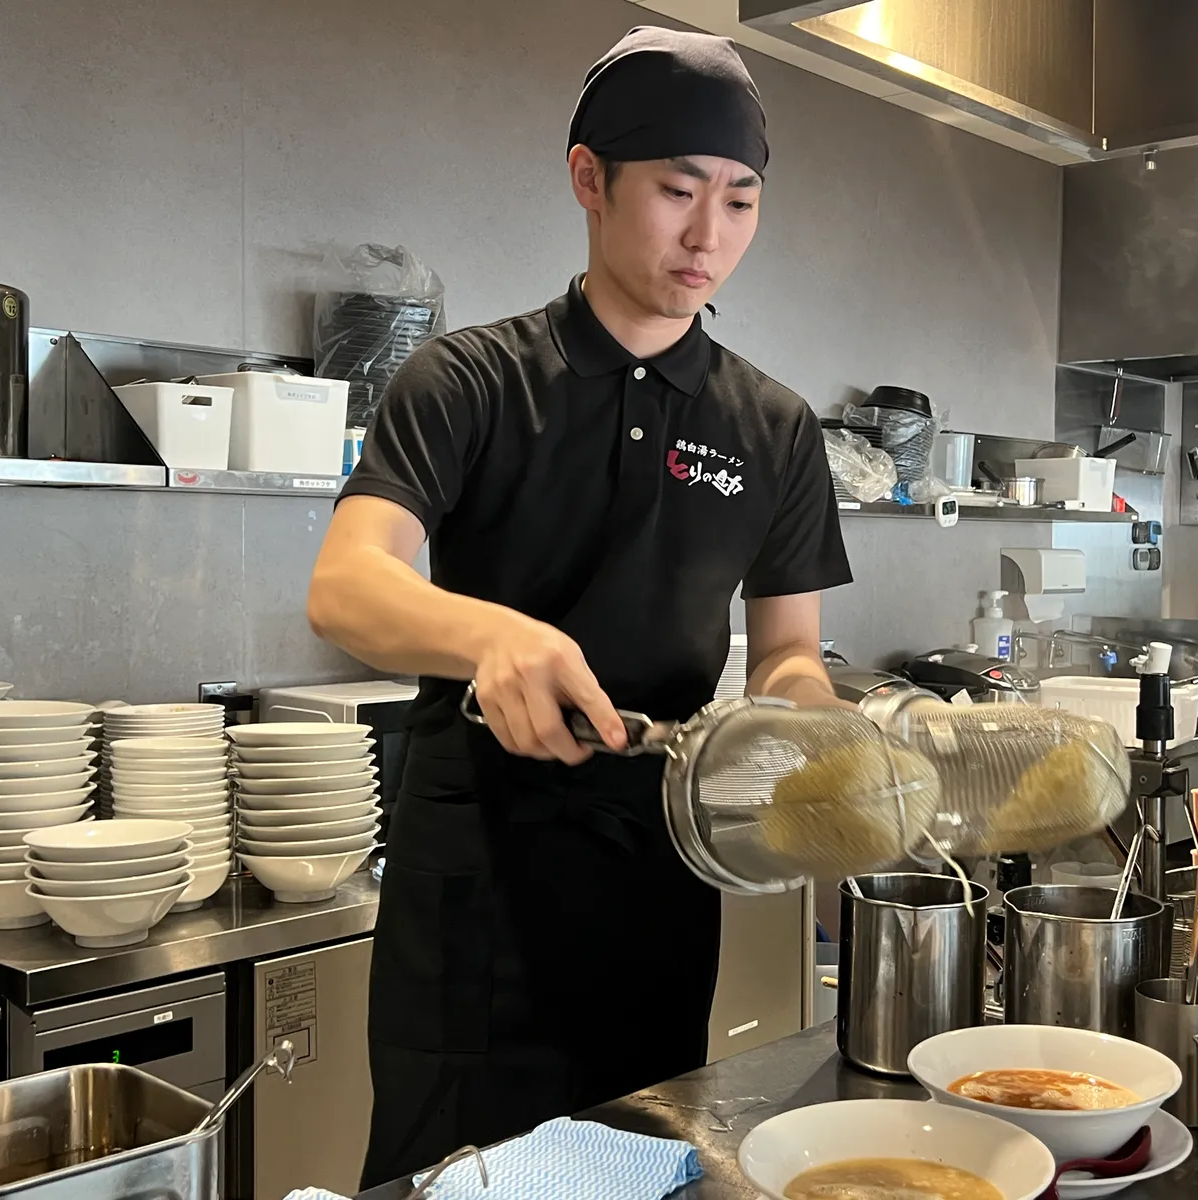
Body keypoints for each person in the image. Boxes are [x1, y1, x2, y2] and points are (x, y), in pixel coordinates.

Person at [306, 25, 852, 1187]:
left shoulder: (775, 427)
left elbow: (788, 649)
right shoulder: (467, 381)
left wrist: (805, 717)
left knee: (638, 1167)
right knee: (453, 1176)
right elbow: (348, 584)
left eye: (741, 200)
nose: (710, 235)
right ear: (588, 179)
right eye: (677, 190)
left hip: (661, 870)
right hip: (475, 880)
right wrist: (491, 633)